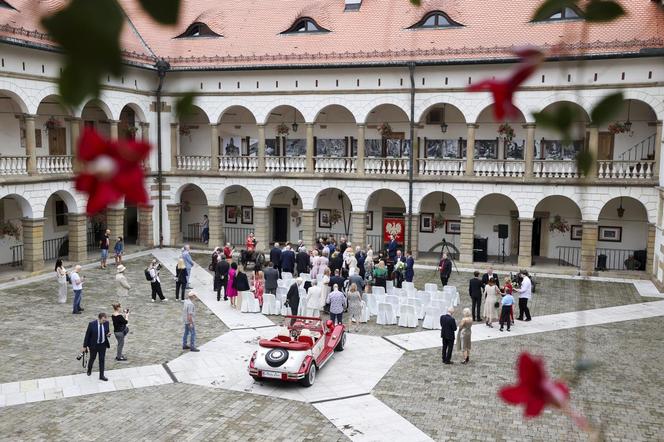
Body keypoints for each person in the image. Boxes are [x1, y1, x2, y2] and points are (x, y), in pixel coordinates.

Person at [82, 312, 111, 381]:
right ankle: (89, 369)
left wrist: (108, 334)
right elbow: (87, 336)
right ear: (99, 319)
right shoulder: (92, 324)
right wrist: (84, 346)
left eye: (105, 320)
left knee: (102, 360)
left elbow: (107, 332)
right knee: (92, 358)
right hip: (94, 345)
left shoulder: (106, 323)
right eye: (103, 320)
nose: (104, 321)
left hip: (102, 345)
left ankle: (101, 376)